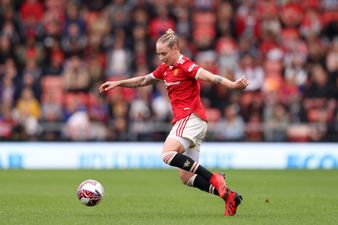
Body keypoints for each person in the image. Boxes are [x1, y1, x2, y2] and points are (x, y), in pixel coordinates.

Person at [99, 29, 249, 216]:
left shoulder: (184, 64)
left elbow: (211, 77)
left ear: (175, 48)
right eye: (158, 54)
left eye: (164, 53)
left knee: (167, 154)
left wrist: (233, 85)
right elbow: (143, 80)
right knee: (186, 177)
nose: (161, 58)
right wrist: (118, 83)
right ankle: (229, 197)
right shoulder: (166, 68)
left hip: (191, 118)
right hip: (191, 123)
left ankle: (214, 178)